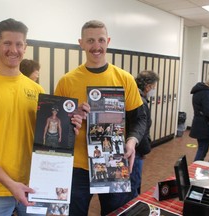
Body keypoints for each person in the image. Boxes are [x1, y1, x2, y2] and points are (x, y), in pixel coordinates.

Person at [0, 18, 83, 216]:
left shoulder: (36, 89)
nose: (13, 50)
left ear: (26, 47)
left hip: (34, 184)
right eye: (7, 43)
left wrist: (69, 129)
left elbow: (42, 139)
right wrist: (10, 183)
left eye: (19, 44)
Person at [54, 20, 147, 215]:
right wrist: (73, 119)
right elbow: (58, 130)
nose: (96, 46)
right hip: (77, 167)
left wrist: (131, 141)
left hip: (113, 161)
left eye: (101, 40)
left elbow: (140, 118)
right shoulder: (67, 81)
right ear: (81, 43)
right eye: (90, 40)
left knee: (117, 213)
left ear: (108, 41)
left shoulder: (124, 78)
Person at [130, 70, 160, 198]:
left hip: (134, 147)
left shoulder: (134, 95)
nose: (153, 89)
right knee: (134, 183)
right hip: (136, 150)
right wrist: (144, 150)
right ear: (148, 86)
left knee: (133, 181)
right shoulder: (140, 101)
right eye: (153, 87)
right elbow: (141, 129)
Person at [189, 75, 209, 161]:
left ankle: (196, 168)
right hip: (204, 126)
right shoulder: (206, 93)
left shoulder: (198, 90)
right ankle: (195, 169)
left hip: (199, 124)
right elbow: (208, 111)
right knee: (202, 150)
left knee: (202, 148)